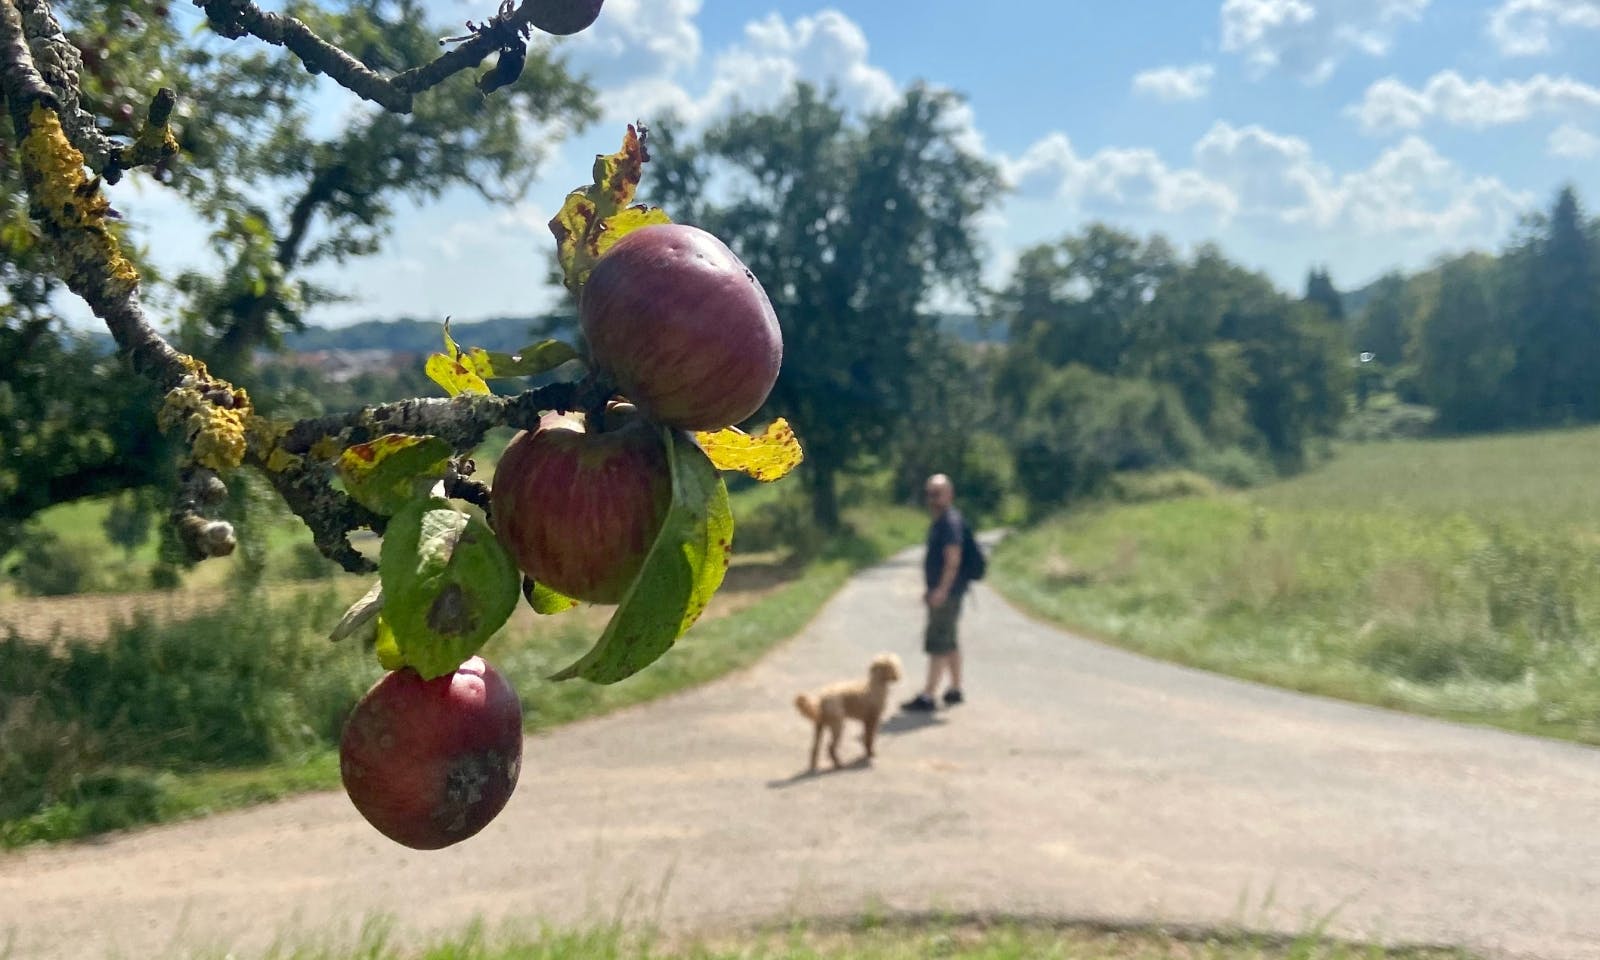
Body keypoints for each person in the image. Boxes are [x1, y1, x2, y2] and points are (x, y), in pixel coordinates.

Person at [902, 473, 969, 712]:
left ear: (949, 495)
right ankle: (955, 689)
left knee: (938, 642)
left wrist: (941, 590)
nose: (933, 499)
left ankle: (928, 695)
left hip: (947, 593)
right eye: (930, 494)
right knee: (949, 640)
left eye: (938, 494)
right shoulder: (943, 521)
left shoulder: (949, 522)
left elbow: (953, 559)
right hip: (948, 591)